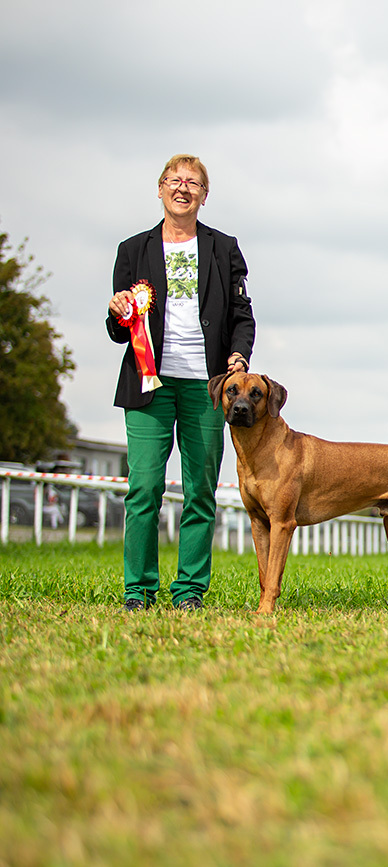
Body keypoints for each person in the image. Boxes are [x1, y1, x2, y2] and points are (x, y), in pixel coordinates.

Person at [107, 154, 255, 612]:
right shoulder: (133, 250)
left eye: (193, 182)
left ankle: (189, 591)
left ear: (204, 195)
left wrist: (238, 356)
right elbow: (118, 330)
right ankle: (139, 591)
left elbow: (242, 315)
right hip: (148, 385)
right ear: (160, 189)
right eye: (175, 180)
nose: (183, 188)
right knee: (145, 488)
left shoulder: (224, 247)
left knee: (200, 492)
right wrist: (116, 312)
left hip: (208, 389)